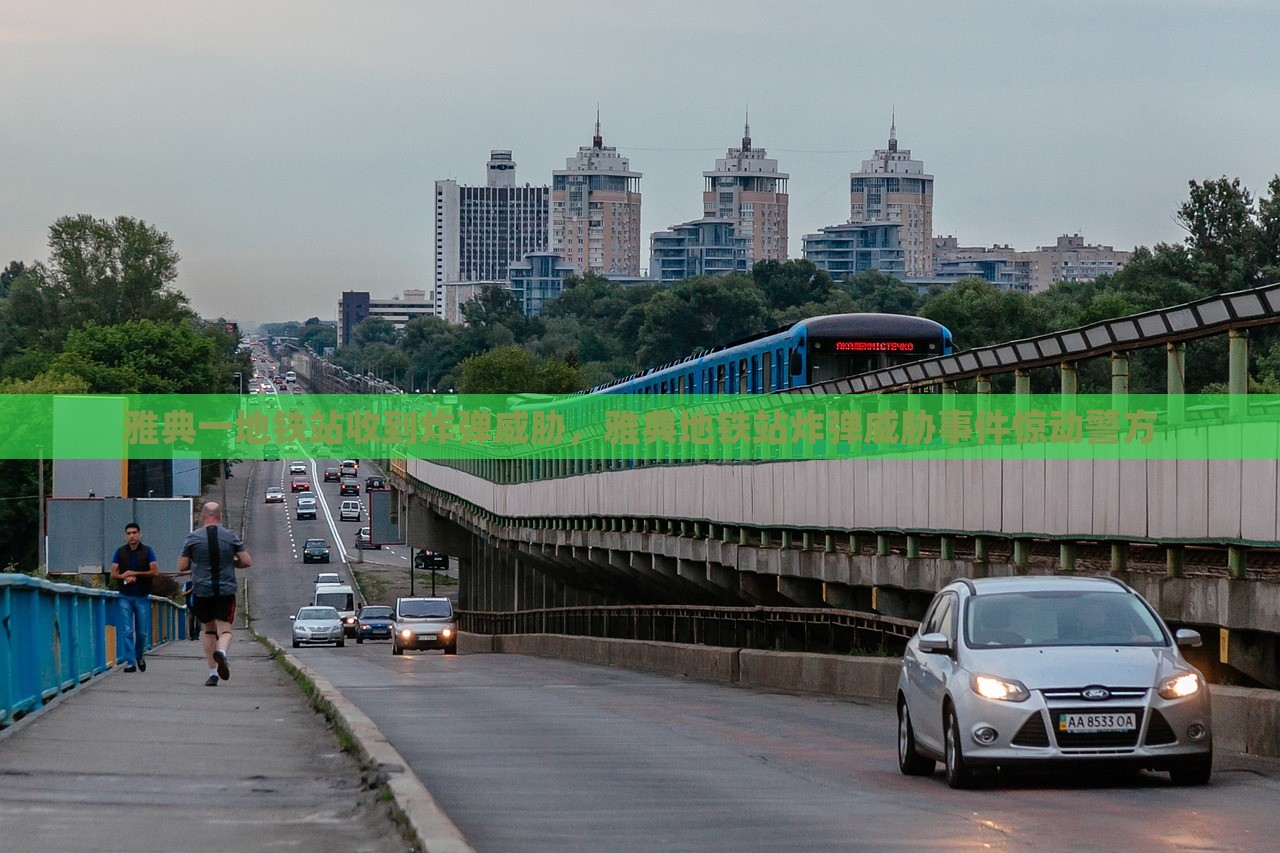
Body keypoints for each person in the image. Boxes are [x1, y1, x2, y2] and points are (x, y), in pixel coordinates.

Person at [178, 502, 252, 687]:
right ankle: (222, 652)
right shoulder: (230, 537)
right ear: (219, 517)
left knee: (209, 630)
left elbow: (181, 566)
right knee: (225, 629)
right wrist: (232, 562)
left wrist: (196, 564)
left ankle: (212, 675)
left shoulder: (193, 538)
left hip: (202, 591)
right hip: (225, 590)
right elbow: (246, 561)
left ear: (203, 516)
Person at [109, 522, 160, 673]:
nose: (131, 536)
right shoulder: (120, 552)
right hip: (125, 595)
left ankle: (139, 655)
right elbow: (113, 573)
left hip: (142, 596)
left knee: (142, 632)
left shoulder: (147, 551)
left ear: (140, 534)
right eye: (129, 533)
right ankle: (130, 662)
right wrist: (124, 576)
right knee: (127, 630)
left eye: (134, 533)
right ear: (125, 535)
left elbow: (154, 571)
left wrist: (135, 573)